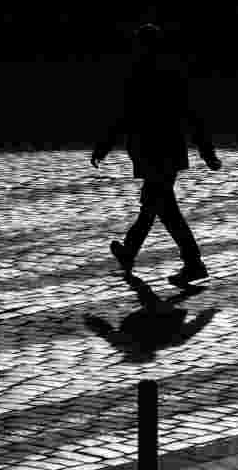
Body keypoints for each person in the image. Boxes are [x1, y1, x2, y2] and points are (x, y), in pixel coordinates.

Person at [91, 23, 222, 286]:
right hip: (168, 151)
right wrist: (206, 151)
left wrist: (104, 146)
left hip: (150, 151)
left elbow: (123, 117)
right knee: (154, 204)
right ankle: (130, 252)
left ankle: (193, 262)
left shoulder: (138, 76)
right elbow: (191, 116)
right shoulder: (172, 75)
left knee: (163, 207)